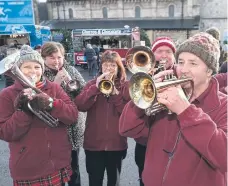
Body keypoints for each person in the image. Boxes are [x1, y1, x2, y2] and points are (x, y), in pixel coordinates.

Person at [119, 33, 227, 186]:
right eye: (181, 62)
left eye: (193, 63)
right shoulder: (167, 94)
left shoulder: (224, 105)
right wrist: (143, 99)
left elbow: (224, 157)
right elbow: (126, 129)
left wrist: (185, 111)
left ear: (209, 70)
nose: (183, 69)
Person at [0, 45, 78, 186]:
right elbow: (5, 133)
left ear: (42, 69)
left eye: (37, 67)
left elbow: (72, 116)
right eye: (27, 67)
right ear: (19, 69)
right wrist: (24, 112)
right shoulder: (7, 94)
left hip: (57, 163)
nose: (33, 71)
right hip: (28, 167)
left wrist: (51, 104)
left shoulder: (54, 88)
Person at [74, 50, 129, 186]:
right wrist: (95, 88)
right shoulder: (92, 84)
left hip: (116, 144)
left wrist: (116, 95)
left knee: (113, 182)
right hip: (93, 145)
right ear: (101, 66)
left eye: (113, 66)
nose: (109, 69)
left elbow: (127, 114)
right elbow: (80, 105)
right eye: (106, 65)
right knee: (94, 181)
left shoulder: (125, 87)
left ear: (119, 68)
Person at [41, 41, 86, 186]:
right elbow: (39, 101)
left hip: (74, 128)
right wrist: (55, 82)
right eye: (52, 58)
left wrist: (73, 85)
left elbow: (84, 93)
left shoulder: (71, 70)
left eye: (59, 57)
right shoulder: (39, 73)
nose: (56, 61)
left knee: (74, 169)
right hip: (53, 127)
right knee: (55, 170)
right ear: (44, 58)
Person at [134, 37, 177, 186]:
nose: (164, 55)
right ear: (152, 55)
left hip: (173, 142)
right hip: (145, 142)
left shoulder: (182, 75)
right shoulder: (141, 76)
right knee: (145, 178)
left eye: (168, 51)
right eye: (159, 51)